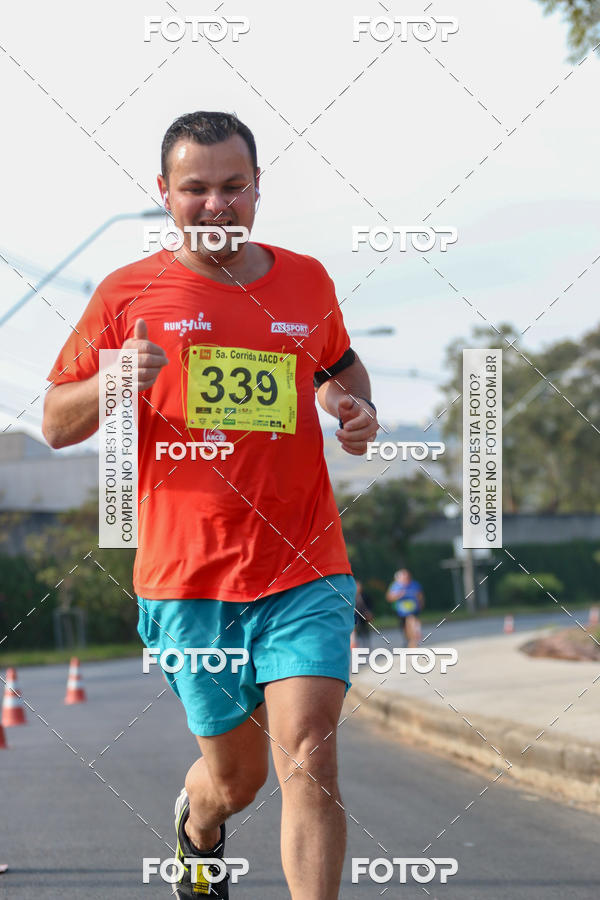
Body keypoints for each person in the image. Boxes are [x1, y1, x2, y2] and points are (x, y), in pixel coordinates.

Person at [42, 111, 379, 899]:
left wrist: (355, 410)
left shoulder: (306, 281)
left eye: (233, 186)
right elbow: (56, 422)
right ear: (165, 193)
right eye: (196, 188)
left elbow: (339, 367)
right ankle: (199, 831)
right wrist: (114, 377)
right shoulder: (127, 293)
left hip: (303, 565)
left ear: (258, 188)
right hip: (188, 580)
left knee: (311, 752)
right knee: (235, 782)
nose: (217, 204)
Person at [386, 568, 424, 648]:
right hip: (400, 611)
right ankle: (409, 640)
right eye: (404, 578)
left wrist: (421, 604)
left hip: (413, 609)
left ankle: (414, 639)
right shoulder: (395, 586)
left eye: (407, 577)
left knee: (411, 621)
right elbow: (389, 597)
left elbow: (420, 595)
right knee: (405, 628)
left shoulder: (414, 584)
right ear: (399, 578)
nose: (406, 579)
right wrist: (399, 595)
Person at [352, 580, 374, 648]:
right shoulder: (351, 596)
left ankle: (366, 644)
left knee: (365, 629)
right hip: (355, 615)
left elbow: (370, 605)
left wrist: (369, 613)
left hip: (364, 615)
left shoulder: (365, 596)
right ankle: (355, 643)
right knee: (355, 627)